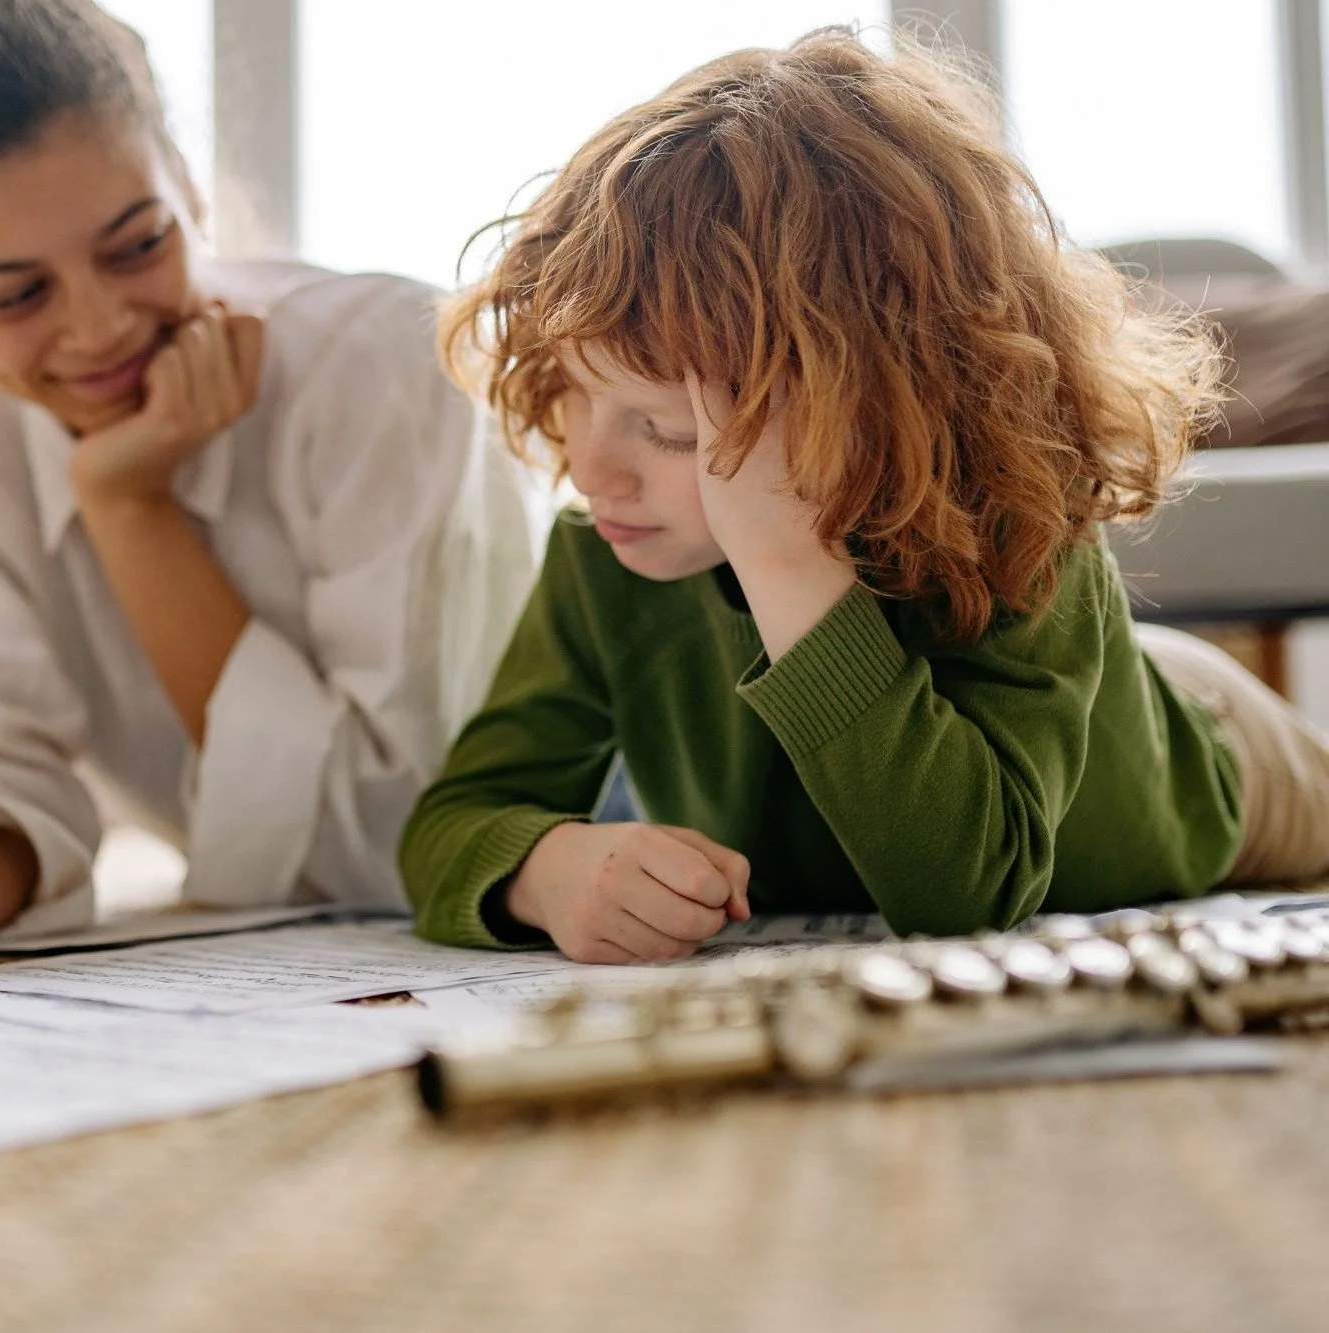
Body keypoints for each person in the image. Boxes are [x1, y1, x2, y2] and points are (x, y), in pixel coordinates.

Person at [400, 28, 1329, 963]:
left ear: (868, 405)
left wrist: (783, 560)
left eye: (668, 429)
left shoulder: (1025, 529)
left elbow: (967, 891)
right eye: (573, 393)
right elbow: (454, 822)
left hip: (1211, 752)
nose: (591, 471)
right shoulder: (603, 552)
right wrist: (547, 868)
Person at [0, 0, 541, 980]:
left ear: (190, 189)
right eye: (14, 295)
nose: (98, 329)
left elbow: (402, 839)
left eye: (137, 245)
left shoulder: (380, 368)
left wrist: (128, 505)